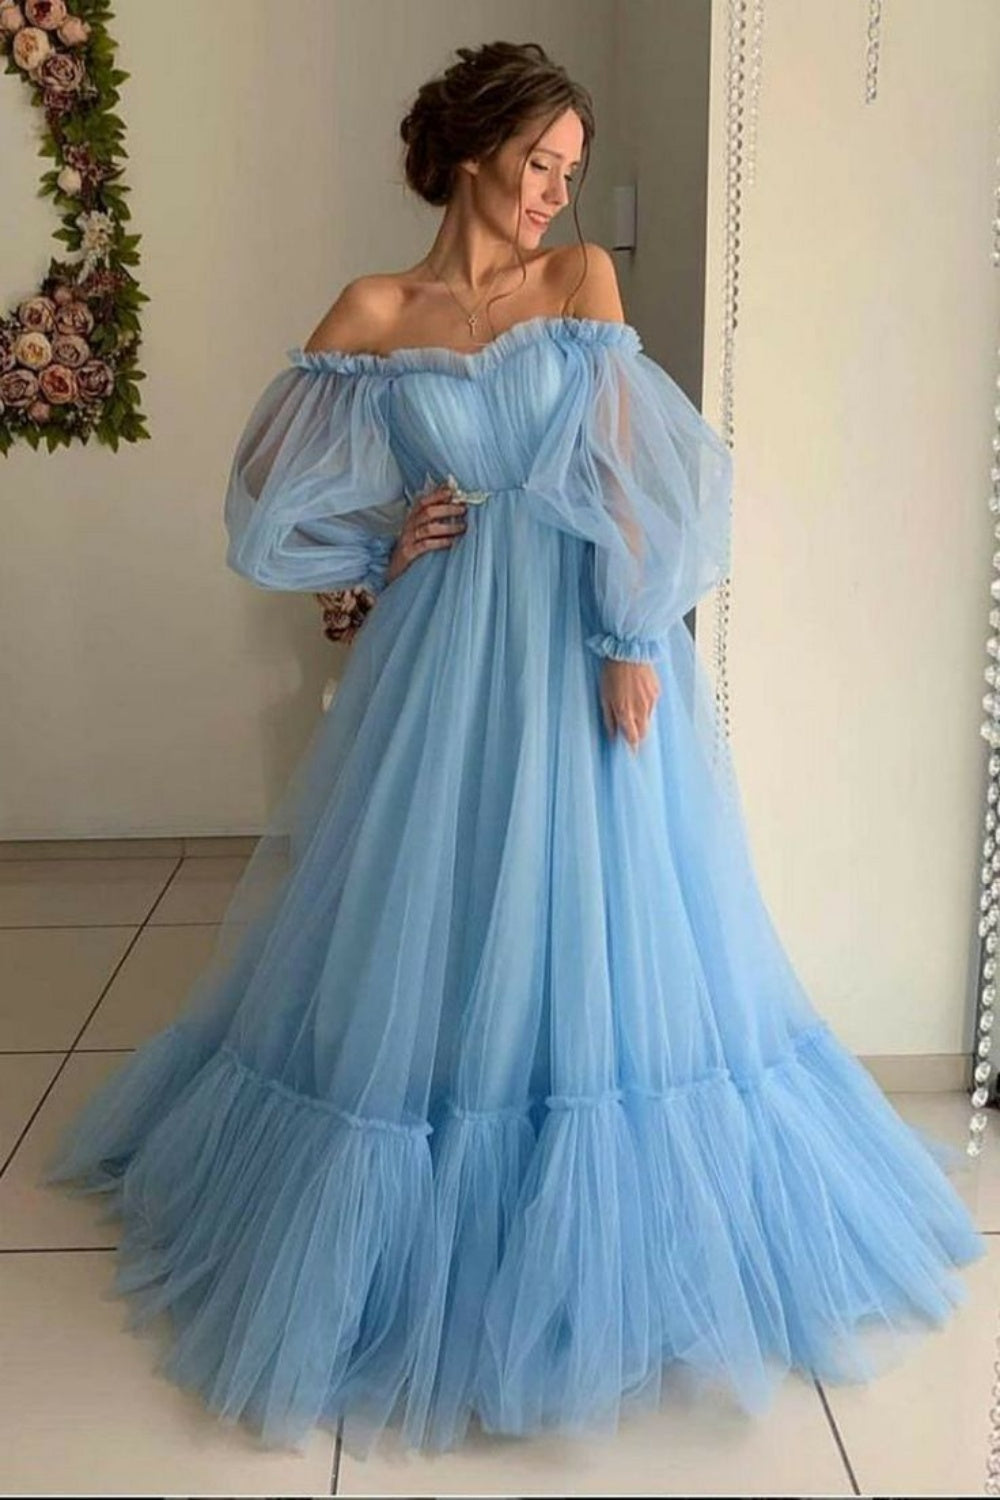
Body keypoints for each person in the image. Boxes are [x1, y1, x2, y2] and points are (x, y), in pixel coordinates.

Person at [41, 39, 986, 1463]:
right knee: (445, 893)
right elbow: (264, 495)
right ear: (474, 150)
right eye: (539, 162)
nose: (555, 191)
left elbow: (628, 466)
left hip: (578, 633)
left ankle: (602, 1215)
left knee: (604, 908)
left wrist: (629, 632)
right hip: (444, 644)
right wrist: (378, 542)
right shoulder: (376, 310)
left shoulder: (581, 280)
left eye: (569, 169)